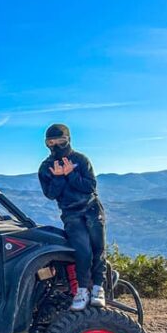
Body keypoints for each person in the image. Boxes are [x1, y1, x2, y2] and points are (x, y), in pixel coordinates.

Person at [38, 123, 107, 311]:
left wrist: (71, 174)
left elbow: (90, 186)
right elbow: (51, 194)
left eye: (61, 141)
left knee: (98, 248)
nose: (56, 146)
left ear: (68, 139)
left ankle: (98, 287)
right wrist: (59, 177)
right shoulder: (46, 167)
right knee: (82, 251)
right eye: (51, 142)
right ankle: (82, 290)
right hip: (71, 213)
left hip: (92, 209)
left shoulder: (81, 160)